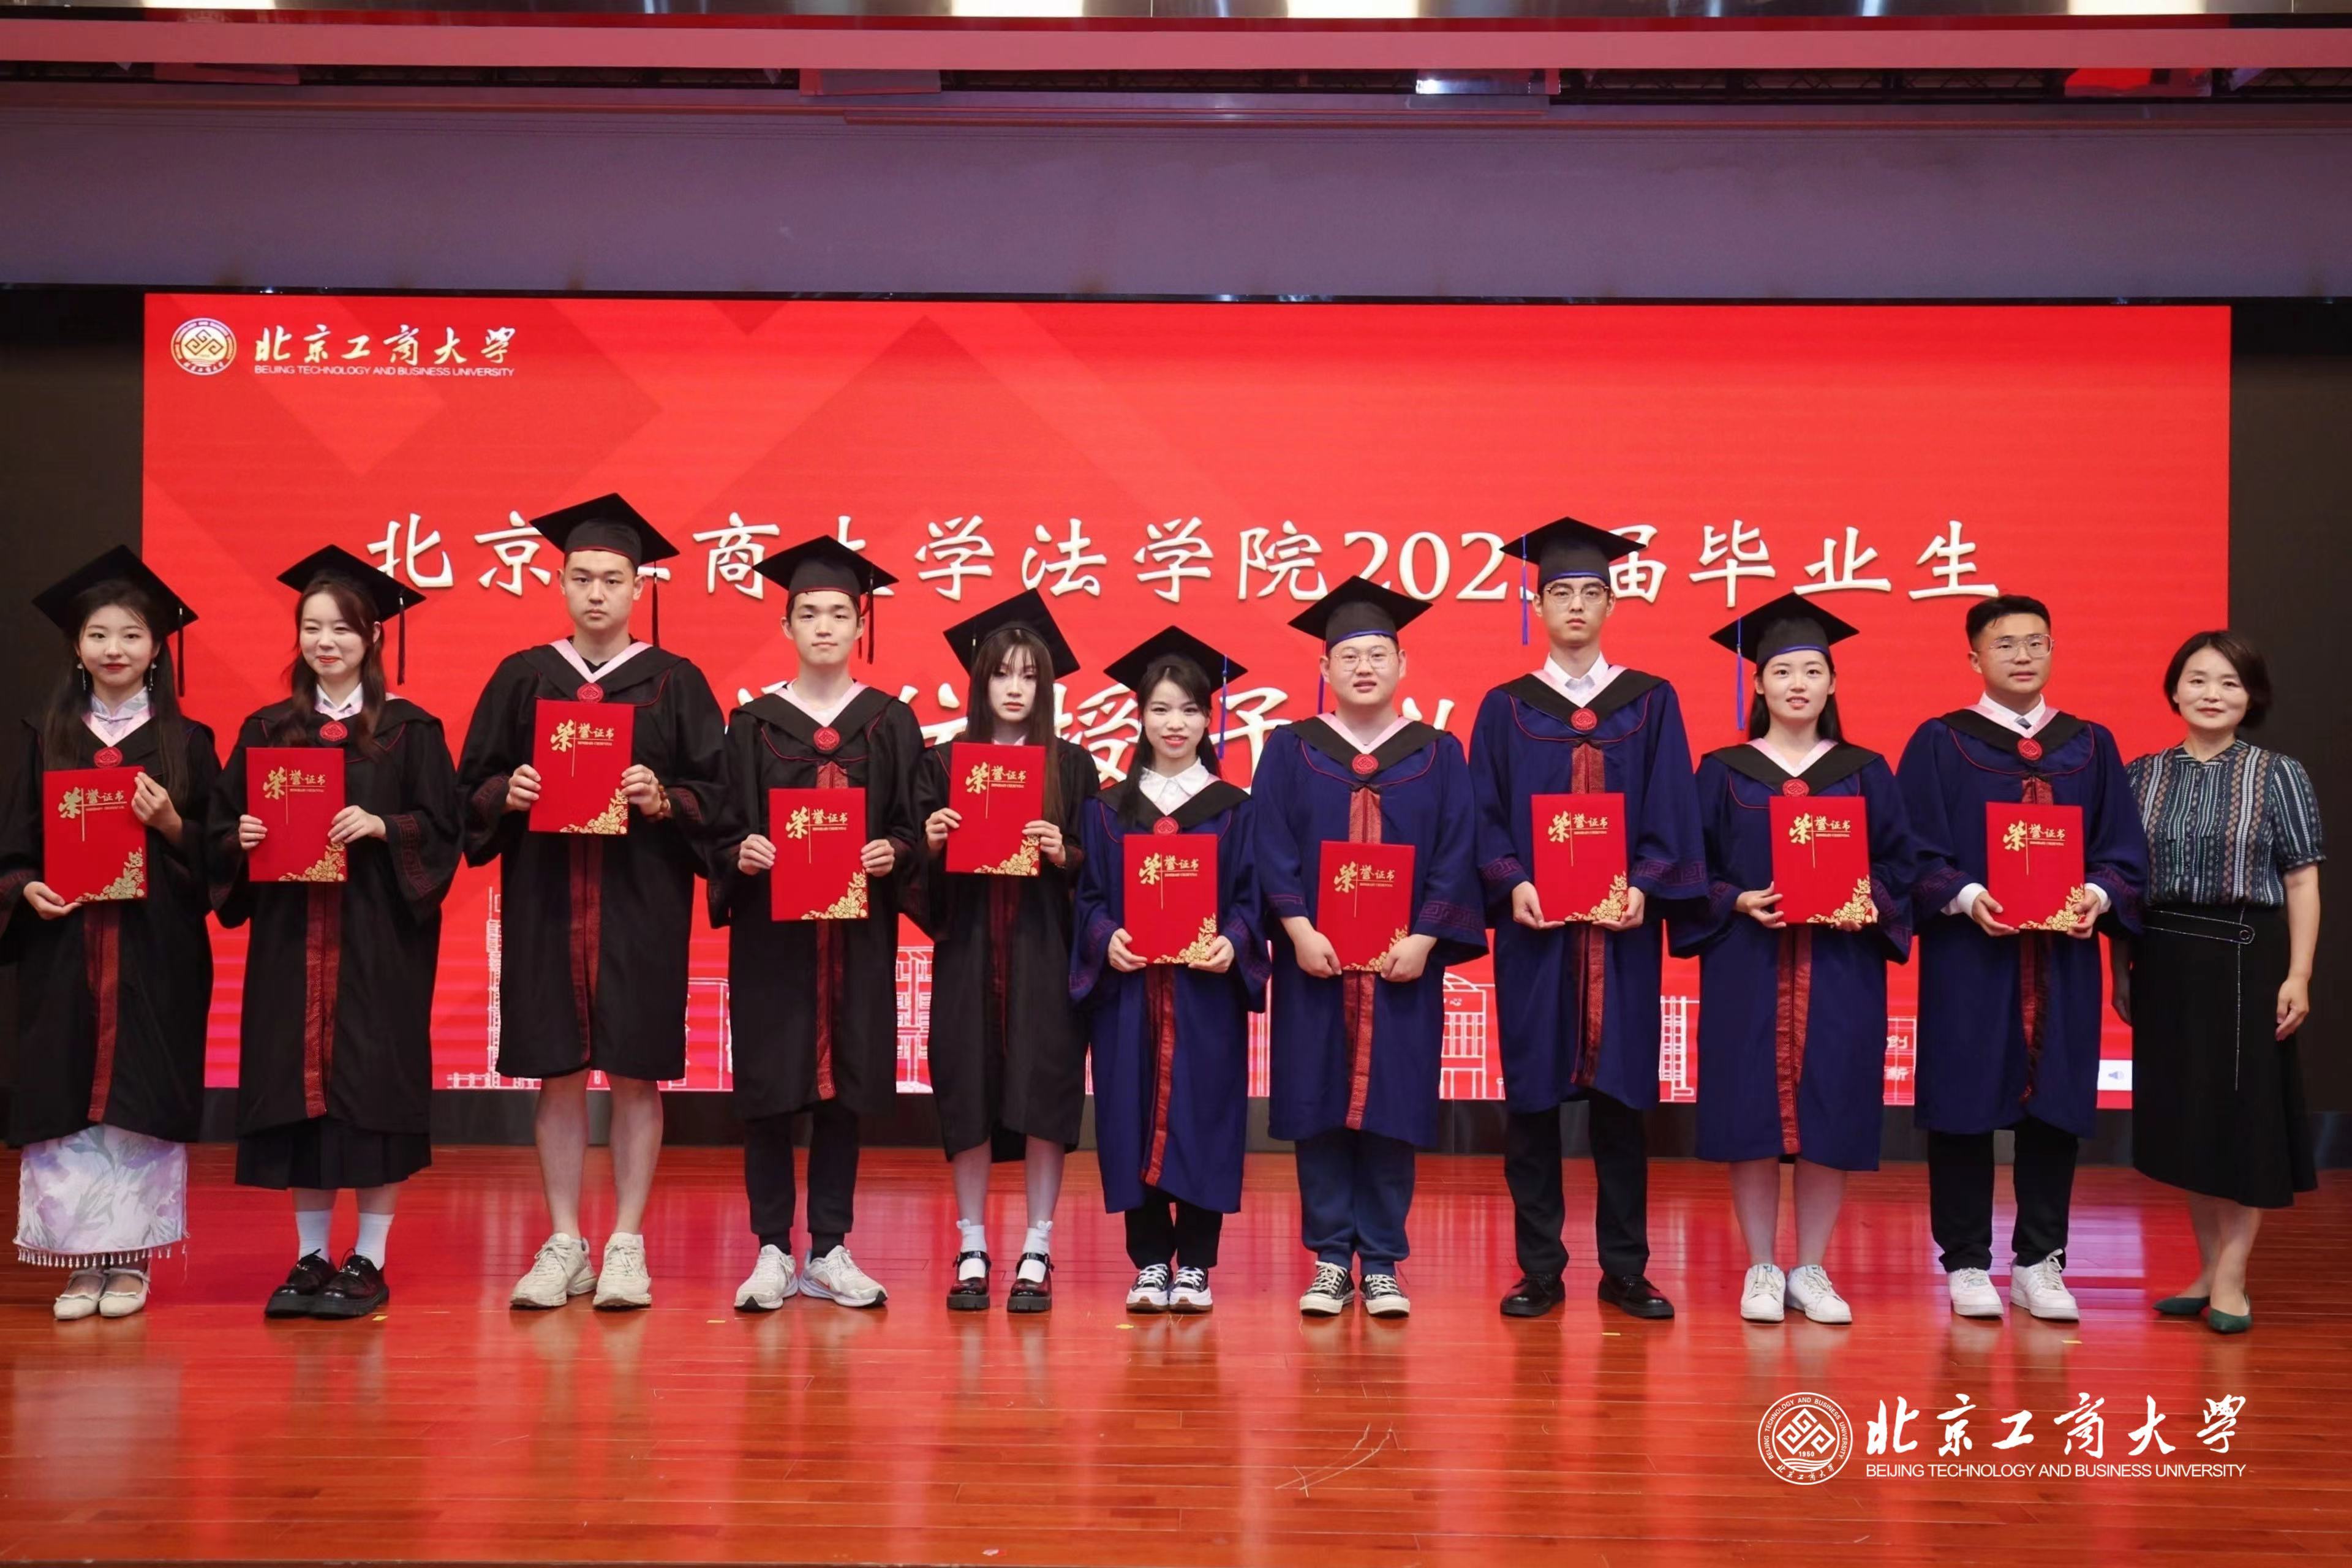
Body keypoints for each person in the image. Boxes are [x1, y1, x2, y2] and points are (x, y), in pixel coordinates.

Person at [455, 496, 726, 1312]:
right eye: (582, 577)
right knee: (560, 1074)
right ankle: (565, 1240)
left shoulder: (675, 681)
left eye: (612, 578)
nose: (597, 592)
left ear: (639, 586)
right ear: (562, 583)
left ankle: (627, 1243)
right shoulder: (523, 676)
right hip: (546, 899)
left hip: (642, 902)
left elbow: (719, 795)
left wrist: (664, 798)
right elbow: (468, 788)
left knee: (638, 1075)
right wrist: (507, 792)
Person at [209, 547, 457, 1319]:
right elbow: (220, 828)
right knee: (301, 1098)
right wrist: (241, 836)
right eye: (313, 627)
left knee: (373, 1095)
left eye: (343, 628)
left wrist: (384, 825)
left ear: (373, 636)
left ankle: (369, 1257)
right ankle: (312, 1255)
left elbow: (444, 830)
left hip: (377, 944)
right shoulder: (267, 728)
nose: (326, 641)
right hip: (291, 941)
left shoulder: (411, 731)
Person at [1468, 515, 1705, 1322]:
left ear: (1612, 604)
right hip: (1536, 934)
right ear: (1537, 606)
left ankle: (1626, 1269)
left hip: (1622, 936)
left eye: (1591, 592)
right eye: (1561, 592)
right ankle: (1538, 1268)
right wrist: (1510, 880)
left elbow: (1671, 803)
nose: (1575, 605)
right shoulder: (1506, 708)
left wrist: (1647, 881)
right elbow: (1483, 812)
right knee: (1532, 1105)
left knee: (1622, 1105)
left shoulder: (1650, 701)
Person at [1898, 594, 2148, 1322]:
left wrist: (2096, 896)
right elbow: (1911, 848)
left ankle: (2041, 1261)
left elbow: (2122, 851)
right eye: (2005, 643)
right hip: (1972, 955)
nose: (2023, 655)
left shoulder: (2090, 745)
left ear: (2053, 650)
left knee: (2055, 1106)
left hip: (2061, 956)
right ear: (1974, 656)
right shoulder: (1942, 742)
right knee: (1964, 1103)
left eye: (2037, 642)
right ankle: (1967, 1262)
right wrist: (1966, 895)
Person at [1671, 595, 1917, 1325]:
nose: (1798, 684)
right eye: (1782, 672)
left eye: (1812, 670)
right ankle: (1760, 1265)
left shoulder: (1865, 770)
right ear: (1758, 684)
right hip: (1748, 965)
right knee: (1749, 1110)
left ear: (1833, 682)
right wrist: (1737, 900)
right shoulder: (1723, 771)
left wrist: (1869, 900)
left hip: (1841, 969)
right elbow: (1692, 867)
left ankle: (1811, 1266)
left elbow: (1899, 864)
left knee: (1830, 1107)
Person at [1252, 578, 1485, 1319]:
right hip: (1314, 961)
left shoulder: (1439, 753)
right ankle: (1330, 1259)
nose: (1363, 667)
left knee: (1394, 1103)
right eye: (1349, 655)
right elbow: (1270, 844)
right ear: (1324, 667)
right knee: (1317, 1102)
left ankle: (1381, 1261)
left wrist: (1425, 935)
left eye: (1378, 654)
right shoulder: (1290, 749)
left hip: (1402, 966)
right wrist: (1298, 929)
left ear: (1402, 664)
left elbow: (1457, 848)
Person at [2, 549, 214, 1321]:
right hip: (66, 947)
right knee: (67, 1093)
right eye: (99, 634)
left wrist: (172, 823)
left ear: (157, 648)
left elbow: (223, 853)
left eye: (131, 634)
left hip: (153, 951)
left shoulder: (187, 741)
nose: (114, 648)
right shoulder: (49, 733)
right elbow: (15, 846)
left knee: (138, 1094)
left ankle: (130, 1260)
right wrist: (24, 888)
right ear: (77, 645)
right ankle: (78, 1262)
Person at [712, 536, 919, 1312]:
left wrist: (894, 850)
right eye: (809, 613)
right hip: (774, 938)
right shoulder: (752, 724)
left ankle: (830, 1247)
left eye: (838, 612)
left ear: (861, 624)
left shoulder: (890, 722)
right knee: (769, 1086)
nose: (824, 625)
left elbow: (913, 824)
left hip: (857, 937)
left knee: (846, 1089)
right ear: (787, 626)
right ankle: (772, 1247)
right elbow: (722, 827)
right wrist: (742, 852)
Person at [2114, 631, 2322, 1335]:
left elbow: (2302, 879)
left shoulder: (2277, 773)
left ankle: (2233, 1275)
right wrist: (2120, 967)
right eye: (2198, 680)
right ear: (2174, 691)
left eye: (2230, 683)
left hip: (2246, 956)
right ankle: (2205, 1269)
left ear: (2251, 696)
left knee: (2244, 1120)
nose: (2212, 694)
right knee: (2188, 1122)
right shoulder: (2142, 774)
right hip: (2163, 957)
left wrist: (2299, 973)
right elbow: (2125, 883)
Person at [910, 590, 1097, 1313]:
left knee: (1044, 1093)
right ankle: (972, 1242)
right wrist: (930, 843)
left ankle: (1038, 1245)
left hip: (1044, 953)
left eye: (1029, 674)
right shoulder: (942, 764)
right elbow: (913, 876)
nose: (1015, 687)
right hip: (968, 951)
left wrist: (1064, 853)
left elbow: (1098, 872)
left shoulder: (1071, 766)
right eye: (1001, 672)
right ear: (979, 680)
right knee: (968, 1090)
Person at [1070, 627, 1266, 1315]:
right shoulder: (1108, 808)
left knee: (1206, 1114)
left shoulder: (1234, 809)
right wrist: (1106, 938)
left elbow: (1251, 899)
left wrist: (1234, 942)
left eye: (1188, 709)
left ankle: (1198, 1265)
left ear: (1209, 719)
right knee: (1129, 1113)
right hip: (1130, 994)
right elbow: (1088, 898)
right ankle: (1152, 1261)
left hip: (1204, 995)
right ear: (1140, 716)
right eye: (1160, 709)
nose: (1174, 723)